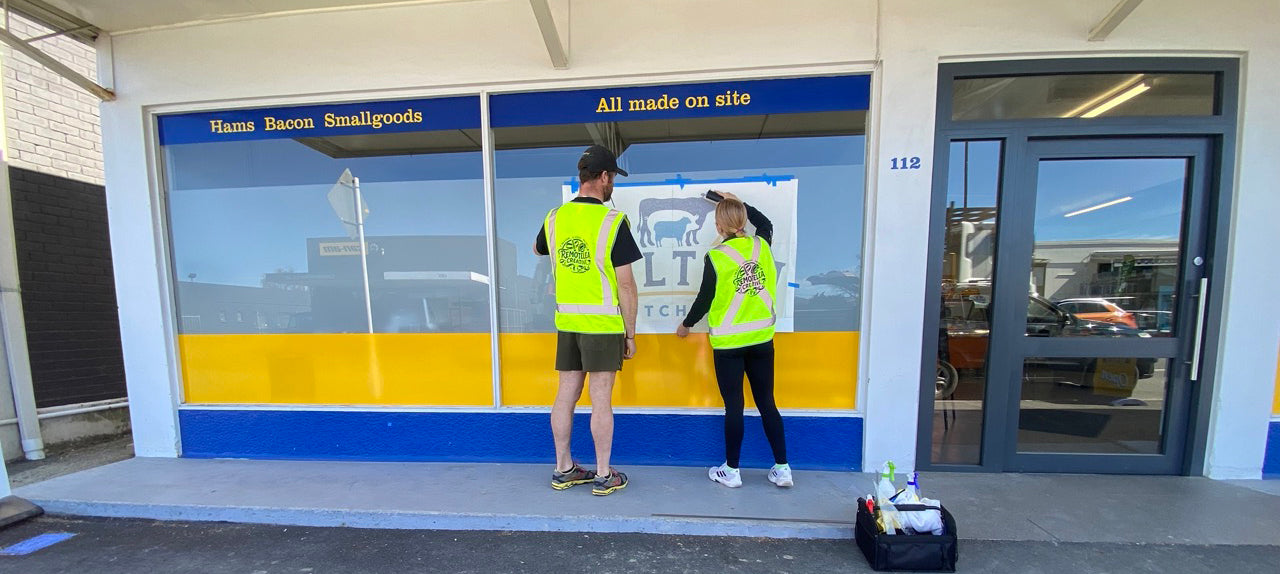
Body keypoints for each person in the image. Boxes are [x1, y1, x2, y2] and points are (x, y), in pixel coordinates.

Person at [534, 145, 640, 496]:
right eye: (612, 179)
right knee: (600, 401)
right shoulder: (612, 221)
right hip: (603, 327)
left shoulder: (553, 219)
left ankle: (563, 468)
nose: (613, 186)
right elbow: (626, 285)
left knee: (565, 397)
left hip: (568, 325)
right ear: (604, 177)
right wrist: (631, 333)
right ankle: (604, 474)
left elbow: (538, 249)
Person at [676, 192, 791, 488]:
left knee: (734, 407)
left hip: (729, 346)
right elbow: (765, 222)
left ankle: (732, 470)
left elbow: (705, 299)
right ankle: (782, 468)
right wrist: (739, 203)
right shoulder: (761, 245)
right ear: (742, 221)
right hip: (762, 340)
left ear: (718, 226)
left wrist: (686, 325)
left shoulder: (716, 257)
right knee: (767, 402)